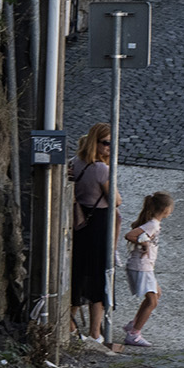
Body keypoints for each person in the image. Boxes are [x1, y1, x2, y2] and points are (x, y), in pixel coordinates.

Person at [66, 124, 119, 353]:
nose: (110, 147)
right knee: (98, 280)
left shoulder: (74, 162)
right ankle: (95, 334)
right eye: (106, 142)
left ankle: (69, 325)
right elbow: (116, 200)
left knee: (77, 274)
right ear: (95, 142)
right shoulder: (101, 169)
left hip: (79, 225)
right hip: (97, 225)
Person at [122, 191, 172, 347]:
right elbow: (130, 235)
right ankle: (134, 333)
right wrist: (143, 243)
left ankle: (134, 324)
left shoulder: (153, 224)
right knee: (152, 301)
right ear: (165, 210)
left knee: (156, 294)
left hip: (146, 266)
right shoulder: (152, 224)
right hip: (141, 266)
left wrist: (144, 242)